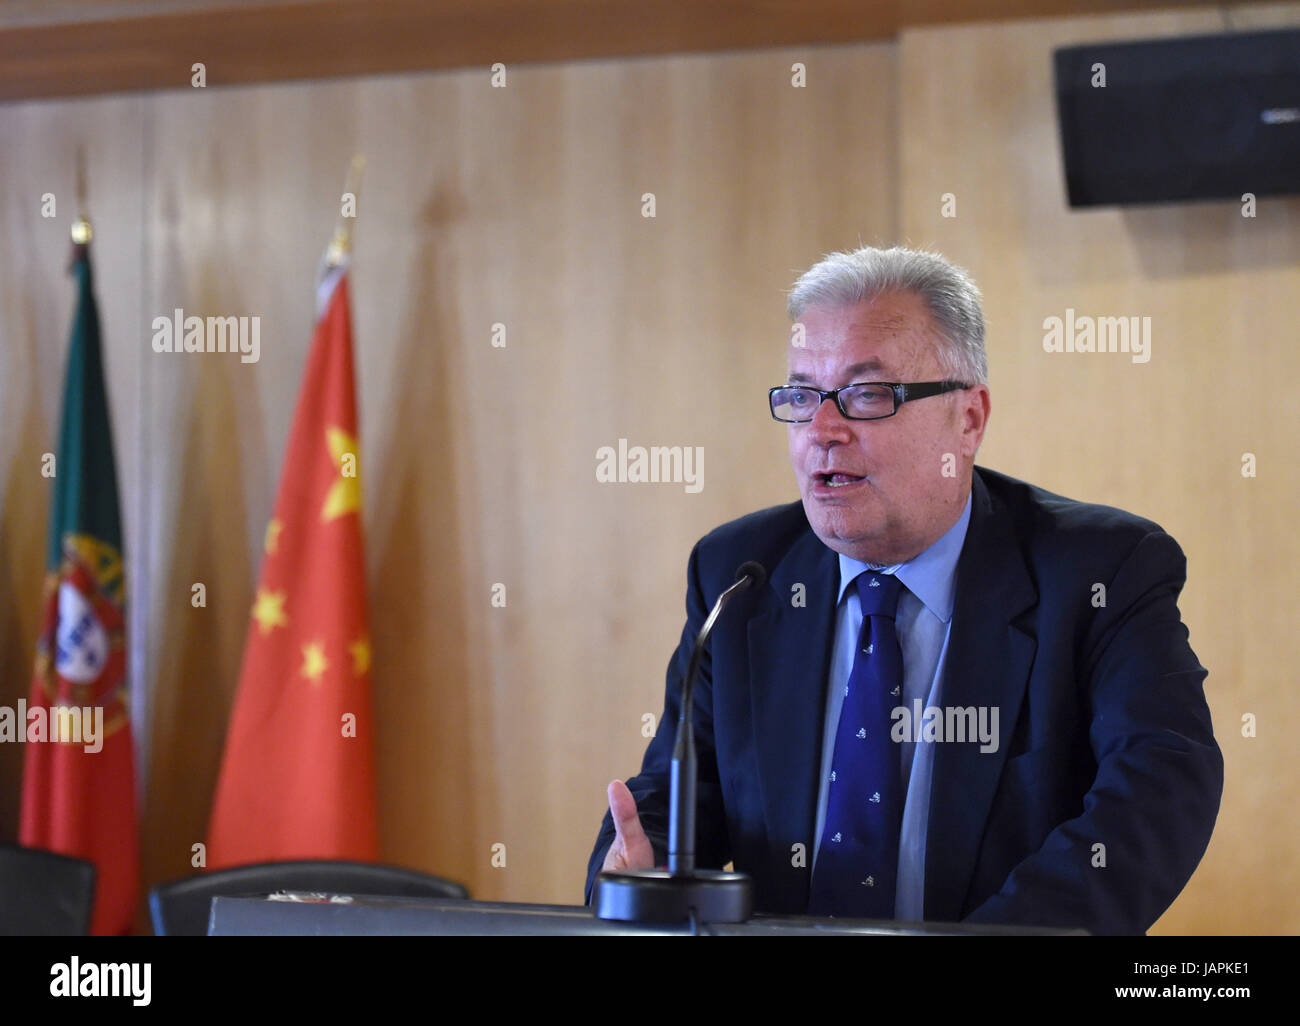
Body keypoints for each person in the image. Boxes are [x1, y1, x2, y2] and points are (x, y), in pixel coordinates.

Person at [584, 245, 1222, 935]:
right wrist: (639, 871)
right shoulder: (740, 576)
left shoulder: (1100, 571)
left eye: (867, 395)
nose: (822, 431)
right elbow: (681, 794)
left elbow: (1159, 790)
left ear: (968, 419)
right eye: (801, 396)